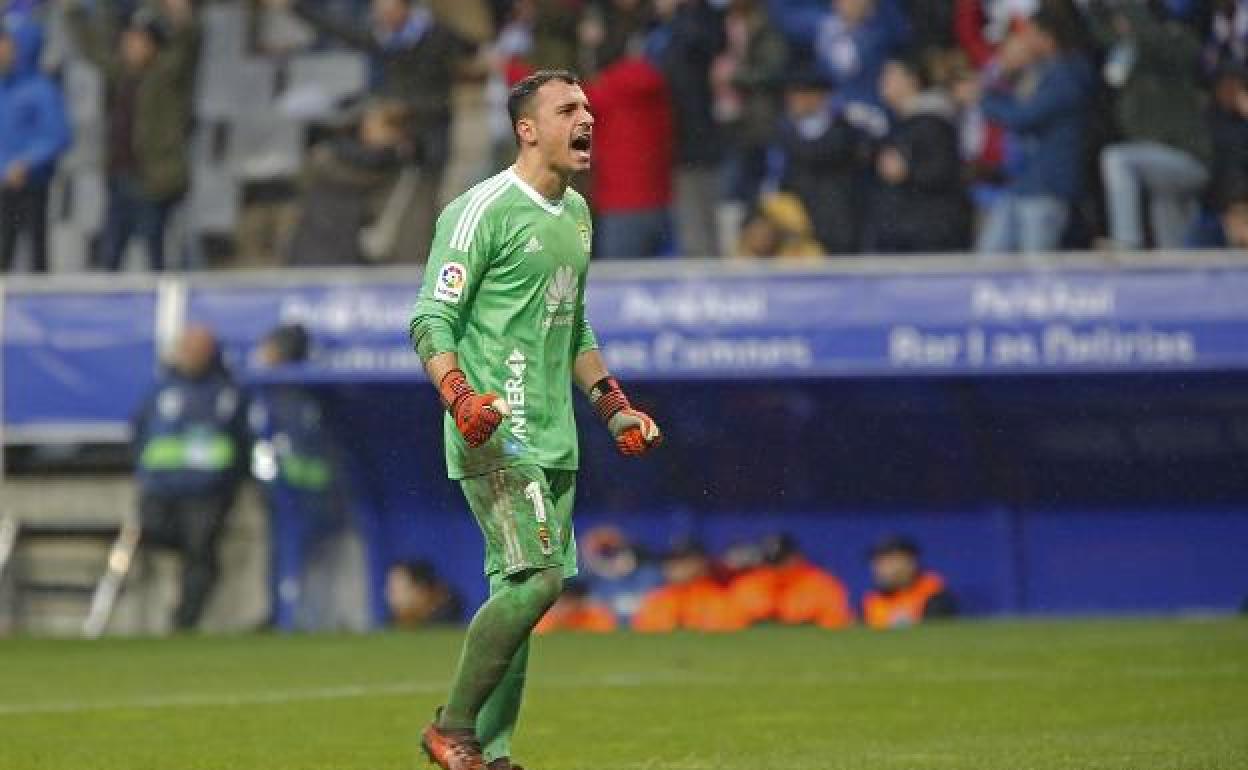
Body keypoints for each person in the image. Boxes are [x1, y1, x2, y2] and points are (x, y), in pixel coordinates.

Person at [408, 70, 663, 770]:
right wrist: (461, 398)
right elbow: (432, 318)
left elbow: (572, 325)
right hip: (494, 426)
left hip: (557, 436)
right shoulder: (479, 210)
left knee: (520, 597)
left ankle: (490, 756)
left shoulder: (577, 214)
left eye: (588, 108)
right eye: (569, 109)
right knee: (542, 581)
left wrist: (613, 407)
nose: (588, 118)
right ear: (528, 129)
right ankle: (452, 727)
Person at [269, 0, 476, 263]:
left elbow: (468, 60)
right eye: (378, 9)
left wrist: (406, 113)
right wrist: (295, 8)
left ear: (405, 9)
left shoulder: (436, 36)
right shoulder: (384, 39)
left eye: (388, 8)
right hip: (393, 143)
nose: (381, 15)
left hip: (427, 142)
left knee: (419, 217)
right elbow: (341, 29)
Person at [65, 0, 199, 272]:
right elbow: (93, 50)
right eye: (128, 39)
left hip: (153, 180)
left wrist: (183, 17)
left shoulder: (166, 76)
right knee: (110, 254)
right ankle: (108, 310)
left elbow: (189, 47)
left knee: (155, 255)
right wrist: (73, 12)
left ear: (152, 45)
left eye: (138, 40)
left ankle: (162, 312)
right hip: (119, 178)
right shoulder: (122, 75)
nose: (130, 46)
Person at [132, 326, 248, 631]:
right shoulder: (161, 389)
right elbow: (139, 429)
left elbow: (241, 437)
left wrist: (232, 481)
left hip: (208, 490)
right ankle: (181, 584)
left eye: (198, 348)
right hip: (161, 487)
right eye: (187, 347)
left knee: (200, 551)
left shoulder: (227, 391)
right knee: (155, 533)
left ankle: (185, 622)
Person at [249, 324, 354, 631]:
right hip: (288, 492)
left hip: (312, 492)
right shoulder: (275, 392)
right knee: (288, 556)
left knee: (317, 559)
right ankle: (286, 614)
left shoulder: (302, 395)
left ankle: (309, 618)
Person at [1091, 1, 1212, 249]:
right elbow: (1099, 32)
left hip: (1188, 157)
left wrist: (1132, 10)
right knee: (1172, 249)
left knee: (1116, 159)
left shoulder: (1175, 41)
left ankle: (1126, 243)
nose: (1121, 23)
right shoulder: (1128, 56)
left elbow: (1154, 41)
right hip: (1158, 164)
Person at [971, 9, 1093, 255]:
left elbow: (1022, 116)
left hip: (1047, 188)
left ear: (1048, 38)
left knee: (1036, 273)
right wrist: (1003, 72)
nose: (1025, 40)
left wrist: (983, 99)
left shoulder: (1067, 74)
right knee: (988, 260)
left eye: (1032, 34)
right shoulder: (1037, 71)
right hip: (1020, 185)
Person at [284, 100, 411, 266]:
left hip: (357, 268)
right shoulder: (331, 165)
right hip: (327, 264)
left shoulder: (402, 172)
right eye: (391, 125)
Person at [869, 53, 971, 253]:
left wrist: (906, 171)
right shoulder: (901, 122)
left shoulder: (932, 122)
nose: (883, 81)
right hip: (907, 233)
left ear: (912, 80)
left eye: (890, 75)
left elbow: (944, 171)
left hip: (931, 236)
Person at [646, 0, 724, 257]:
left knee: (702, 223)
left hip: (695, 140)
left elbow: (704, 49)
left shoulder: (699, 21)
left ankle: (706, 282)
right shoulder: (656, 26)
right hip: (666, 139)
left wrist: (681, 13)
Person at [583, 39, 673, 258]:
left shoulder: (606, 91)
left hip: (619, 206)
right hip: (660, 203)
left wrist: (509, 67)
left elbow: (553, 98)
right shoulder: (657, 86)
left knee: (619, 281)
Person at [0, 14, 70, 273]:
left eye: (6, 43)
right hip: (4, 183)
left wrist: (25, 164)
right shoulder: (4, 87)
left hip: (32, 184)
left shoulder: (42, 89)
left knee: (35, 252)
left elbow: (58, 136)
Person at [770, 67, 865, 255]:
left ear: (819, 96)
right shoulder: (782, 132)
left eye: (801, 94)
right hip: (797, 227)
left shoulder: (843, 130)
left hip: (838, 226)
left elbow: (820, 152)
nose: (794, 102)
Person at [727, 534, 853, 629]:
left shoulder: (822, 584)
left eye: (782, 561)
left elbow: (837, 624)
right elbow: (730, 624)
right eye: (771, 562)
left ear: (796, 557)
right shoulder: (747, 586)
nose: (777, 568)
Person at [632, 538, 749, 632]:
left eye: (683, 560)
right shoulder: (657, 600)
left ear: (701, 563)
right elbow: (644, 628)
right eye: (672, 559)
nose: (675, 566)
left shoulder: (720, 599)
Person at [862, 534, 957, 629]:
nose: (881, 569)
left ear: (910, 563)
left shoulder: (934, 593)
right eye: (877, 563)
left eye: (889, 562)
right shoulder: (871, 601)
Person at [579, 525, 662, 626]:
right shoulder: (591, 581)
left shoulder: (649, 575)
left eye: (616, 551)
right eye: (606, 553)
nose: (612, 557)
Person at [387, 560, 465, 627]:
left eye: (395, 591)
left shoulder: (448, 625)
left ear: (420, 590)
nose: (389, 597)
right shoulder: (390, 627)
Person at [533, 578, 617, 633]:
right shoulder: (548, 618)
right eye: (567, 599)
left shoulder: (596, 616)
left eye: (575, 598)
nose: (570, 605)